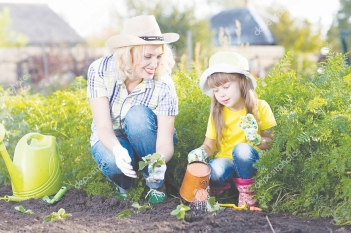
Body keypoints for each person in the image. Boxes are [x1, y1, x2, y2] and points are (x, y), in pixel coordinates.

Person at [86, 15, 180, 204]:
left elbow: (165, 142)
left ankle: (156, 184)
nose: (154, 64)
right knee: (114, 162)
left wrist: (159, 159)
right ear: (129, 53)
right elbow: (103, 127)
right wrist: (117, 150)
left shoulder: (163, 85)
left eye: (158, 56)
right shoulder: (100, 70)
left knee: (137, 115)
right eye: (148, 57)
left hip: (148, 137)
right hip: (112, 137)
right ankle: (126, 185)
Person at [187, 51, 276, 209]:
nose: (221, 94)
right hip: (226, 161)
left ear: (242, 83)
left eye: (226, 87)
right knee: (213, 170)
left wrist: (257, 140)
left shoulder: (260, 107)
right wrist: (199, 152)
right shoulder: (217, 113)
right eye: (216, 90)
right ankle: (221, 192)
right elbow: (209, 146)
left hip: (250, 161)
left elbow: (271, 143)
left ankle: (248, 192)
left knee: (242, 150)